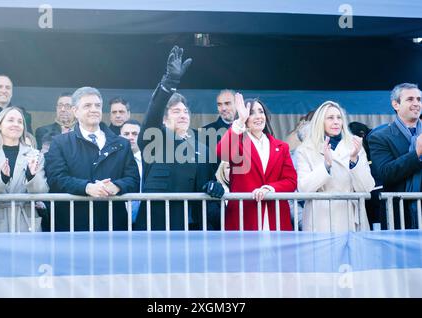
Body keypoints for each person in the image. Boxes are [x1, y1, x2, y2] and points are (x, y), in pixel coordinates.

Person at [134, 46, 224, 231]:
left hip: (195, 227)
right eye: (176, 111)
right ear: (165, 118)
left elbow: (210, 180)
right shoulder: (155, 139)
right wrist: (169, 83)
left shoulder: (203, 148)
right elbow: (154, 113)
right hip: (159, 225)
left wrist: (215, 187)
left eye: (185, 111)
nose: (182, 115)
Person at [45, 87, 140, 231]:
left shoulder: (122, 143)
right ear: (75, 111)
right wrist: (87, 187)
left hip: (113, 224)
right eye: (87, 106)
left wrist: (116, 186)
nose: (94, 109)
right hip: (72, 225)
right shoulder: (60, 143)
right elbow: (56, 178)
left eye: (97, 105)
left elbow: (133, 179)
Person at [216, 93, 297, 231]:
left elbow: (291, 180)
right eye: (252, 113)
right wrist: (240, 121)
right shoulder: (239, 144)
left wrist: (269, 188)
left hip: (275, 217)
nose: (258, 116)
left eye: (261, 111)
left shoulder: (282, 147)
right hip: (244, 217)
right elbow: (222, 152)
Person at [295, 101, 375, 232]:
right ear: (320, 121)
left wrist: (354, 160)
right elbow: (303, 189)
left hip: (351, 218)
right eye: (330, 118)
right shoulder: (305, 149)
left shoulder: (355, 146)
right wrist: (326, 165)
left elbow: (367, 187)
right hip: (320, 220)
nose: (336, 121)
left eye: (339, 118)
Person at [0, 107, 48, 232]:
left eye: (20, 121)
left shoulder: (35, 155)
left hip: (27, 221)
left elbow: (43, 190)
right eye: (11, 120)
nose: (16, 124)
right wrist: (1, 178)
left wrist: (31, 176)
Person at [368, 83, 422, 229]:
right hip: (399, 216)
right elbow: (386, 173)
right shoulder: (379, 137)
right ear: (396, 104)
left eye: (419, 99)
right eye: (410, 99)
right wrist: (416, 154)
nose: (416, 103)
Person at [120, 119, 142, 224]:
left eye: (135, 134)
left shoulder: (150, 162)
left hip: (145, 219)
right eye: (126, 134)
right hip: (120, 218)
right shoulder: (113, 162)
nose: (130, 137)